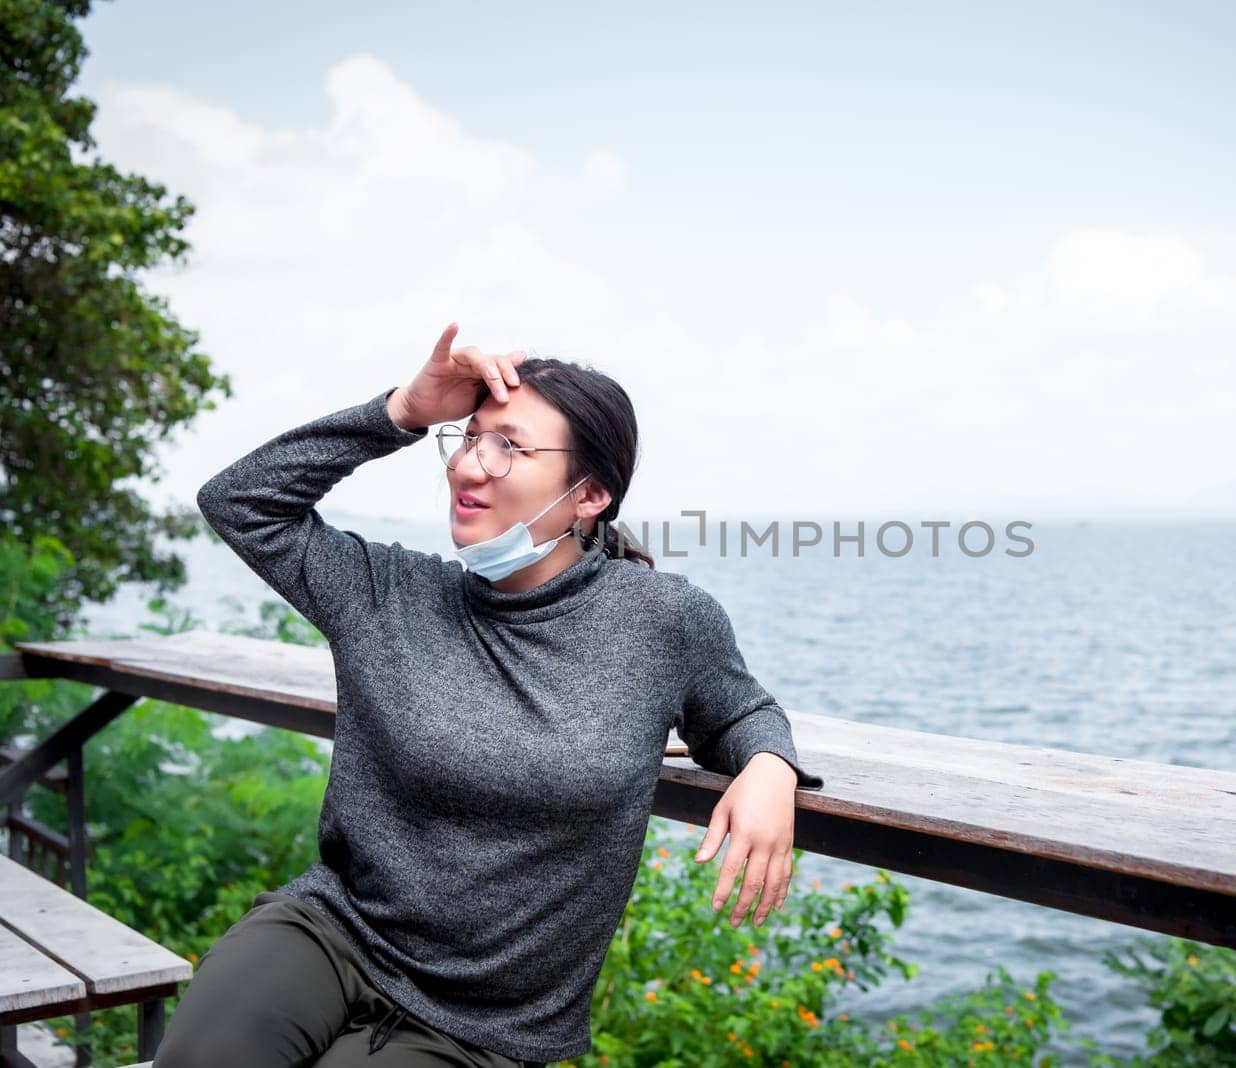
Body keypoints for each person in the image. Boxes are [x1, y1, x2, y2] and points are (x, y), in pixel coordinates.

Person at [156, 324, 824, 1067]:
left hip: (485, 1027)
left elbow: (739, 712)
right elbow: (239, 502)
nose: (470, 464)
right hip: (334, 934)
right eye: (469, 437)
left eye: (509, 445)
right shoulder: (387, 595)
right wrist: (403, 411)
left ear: (590, 495)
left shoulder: (662, 620)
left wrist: (770, 765)